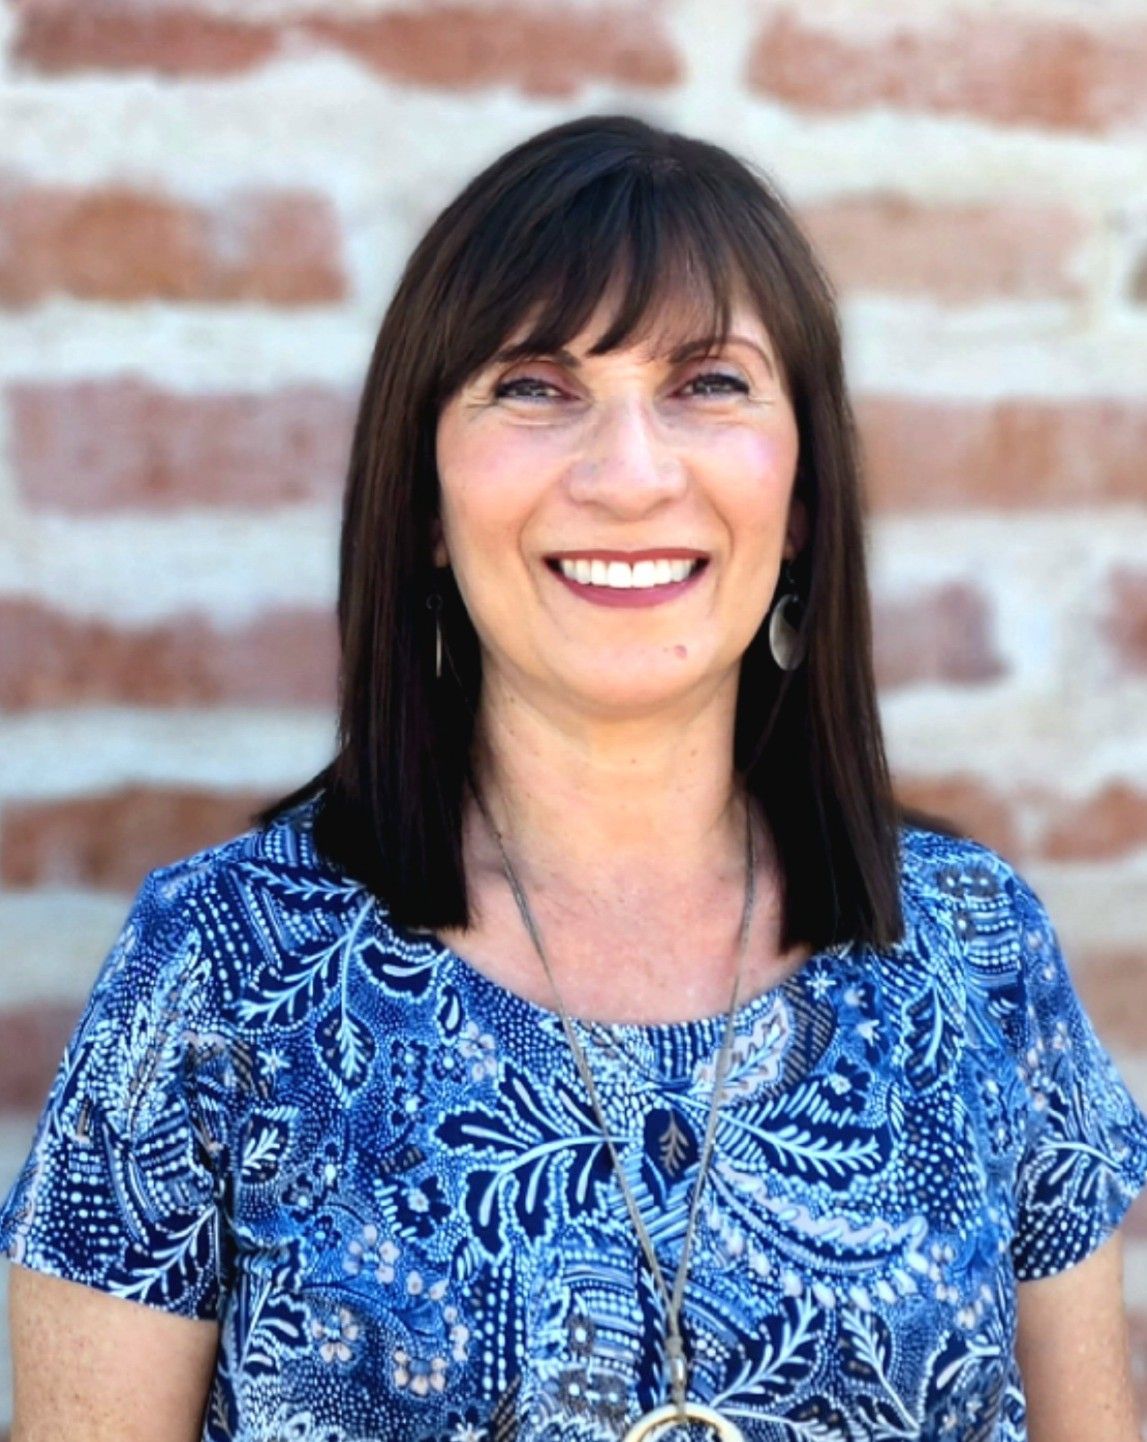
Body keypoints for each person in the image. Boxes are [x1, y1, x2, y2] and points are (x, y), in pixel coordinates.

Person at [2, 113, 1145, 1442]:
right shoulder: (218, 970)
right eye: (536, 386)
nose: (629, 475)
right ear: (426, 502)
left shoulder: (978, 948)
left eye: (707, 383)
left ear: (804, 500)